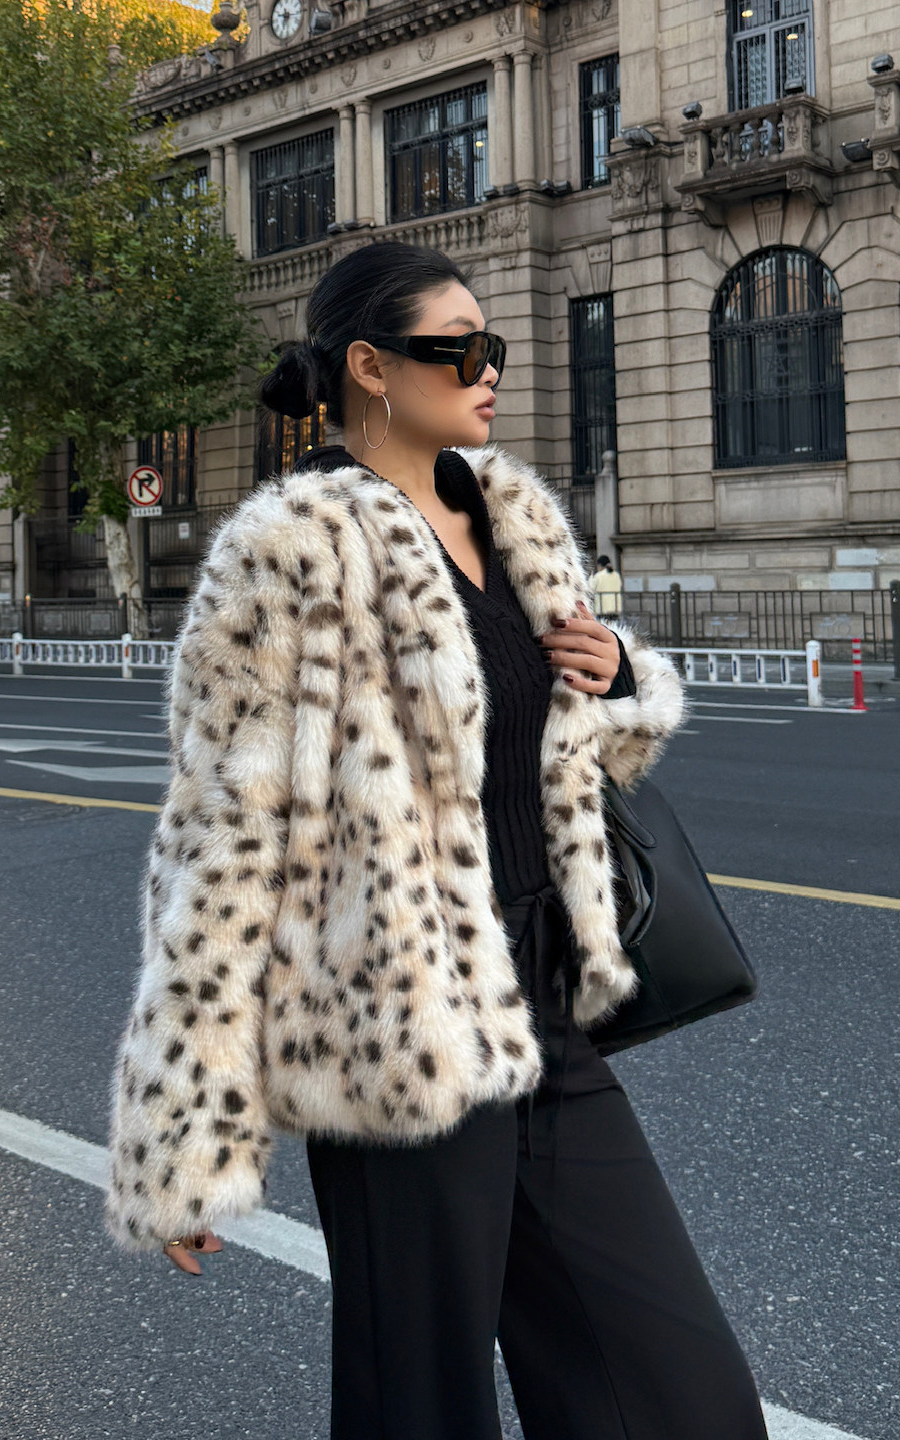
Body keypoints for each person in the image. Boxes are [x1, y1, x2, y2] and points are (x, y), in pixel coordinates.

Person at [103, 242, 767, 1440]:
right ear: (371, 367)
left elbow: (573, 758)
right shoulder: (290, 549)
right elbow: (223, 845)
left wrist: (622, 678)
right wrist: (192, 1128)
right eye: (459, 349)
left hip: (544, 1005)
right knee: (422, 1405)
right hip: (392, 1026)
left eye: (490, 346)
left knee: (679, 1391)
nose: (489, 369)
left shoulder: (513, 516)